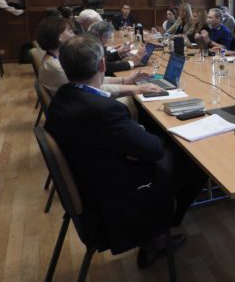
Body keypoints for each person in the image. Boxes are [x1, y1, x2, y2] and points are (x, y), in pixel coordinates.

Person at [44, 34, 207, 260]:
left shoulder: (64, 95)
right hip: (114, 197)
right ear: (102, 65)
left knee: (158, 135)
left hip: (90, 179)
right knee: (193, 158)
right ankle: (162, 229)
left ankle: (159, 227)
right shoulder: (102, 111)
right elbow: (154, 150)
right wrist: (143, 137)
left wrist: (135, 137)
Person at [36, 17, 161, 98]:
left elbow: (90, 79)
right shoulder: (57, 67)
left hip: (77, 105)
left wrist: (126, 79)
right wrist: (137, 88)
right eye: (70, 31)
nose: (74, 35)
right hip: (84, 113)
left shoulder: (55, 59)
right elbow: (95, 88)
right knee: (133, 101)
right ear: (59, 37)